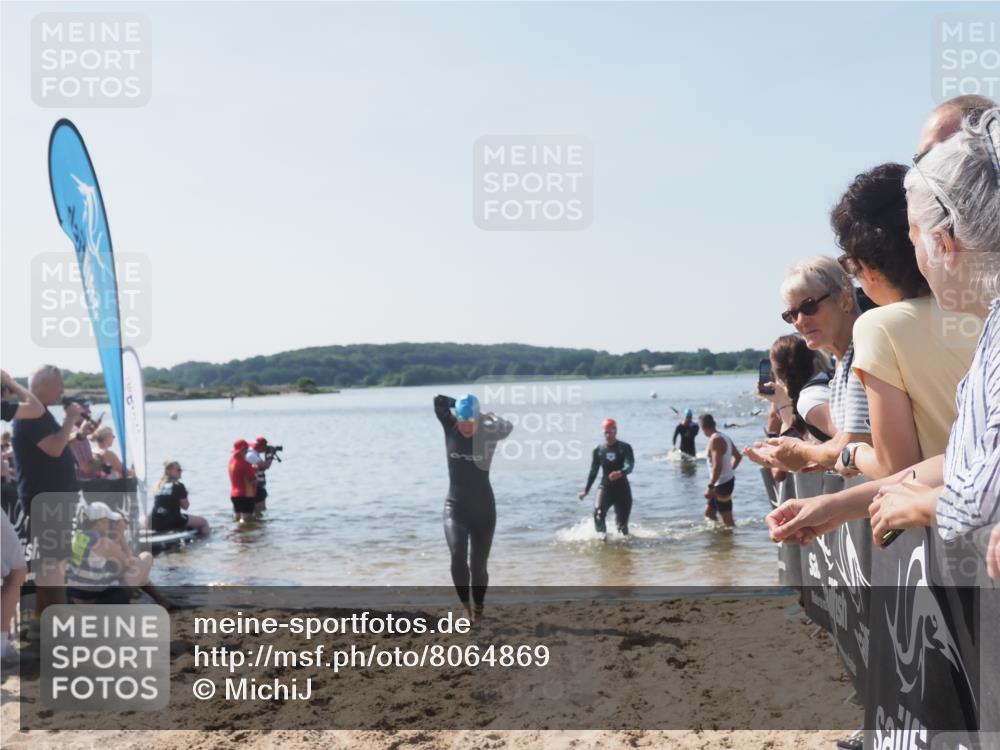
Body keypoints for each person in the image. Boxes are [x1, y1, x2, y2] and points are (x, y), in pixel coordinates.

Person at [767, 108, 1000, 552]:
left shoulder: (894, 327)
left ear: (945, 245)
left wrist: (921, 505)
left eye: (917, 241)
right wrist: (837, 506)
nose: (916, 258)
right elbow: (965, 463)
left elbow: (981, 497)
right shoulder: (987, 327)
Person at [830, 163, 977, 480]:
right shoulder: (980, 308)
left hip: (948, 521)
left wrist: (853, 453)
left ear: (868, 266)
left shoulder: (879, 327)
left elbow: (896, 468)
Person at [743, 256, 872, 472]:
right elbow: (861, 447)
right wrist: (819, 458)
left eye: (809, 307)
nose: (800, 321)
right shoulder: (844, 364)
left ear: (845, 299)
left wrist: (802, 451)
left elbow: (852, 445)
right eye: (791, 314)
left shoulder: (864, 352)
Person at [434, 393, 513, 622]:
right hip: (455, 506)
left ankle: (479, 607)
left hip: (483, 510)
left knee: (478, 567)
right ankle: (465, 607)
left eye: (470, 423)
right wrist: (458, 404)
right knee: (457, 553)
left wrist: (484, 415)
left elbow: (507, 426)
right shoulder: (450, 426)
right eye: (462, 421)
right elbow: (438, 401)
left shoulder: (488, 433)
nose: (466, 427)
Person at [12, 366, 82, 617]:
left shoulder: (38, 413)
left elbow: (56, 445)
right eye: (59, 384)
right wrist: (70, 419)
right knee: (53, 565)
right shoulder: (31, 414)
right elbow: (53, 448)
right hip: (46, 501)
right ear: (42, 384)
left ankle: (44, 621)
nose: (63, 390)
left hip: (53, 500)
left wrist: (71, 430)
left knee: (52, 565)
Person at [65, 501, 153, 604]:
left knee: (120, 569)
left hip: (75, 595)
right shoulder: (102, 541)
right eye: (108, 521)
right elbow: (129, 563)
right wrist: (121, 535)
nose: (110, 524)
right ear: (99, 522)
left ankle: (161, 600)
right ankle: (156, 598)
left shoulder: (78, 535)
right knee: (146, 558)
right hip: (97, 600)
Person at [760, 334, 835, 443]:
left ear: (776, 372)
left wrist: (782, 404)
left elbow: (851, 441)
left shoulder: (811, 399)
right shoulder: (823, 385)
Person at [578, 418, 635, 535]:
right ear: (603, 432)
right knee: (598, 514)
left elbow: (630, 465)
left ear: (616, 431)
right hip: (606, 488)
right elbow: (593, 471)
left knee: (622, 528)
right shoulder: (598, 450)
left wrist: (620, 472)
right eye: (606, 432)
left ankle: (623, 550)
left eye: (611, 432)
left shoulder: (625, 448)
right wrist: (586, 490)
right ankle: (603, 541)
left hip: (622, 490)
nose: (608, 435)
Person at [700, 414, 742, 527]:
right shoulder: (724, 436)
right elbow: (738, 457)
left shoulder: (715, 440)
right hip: (724, 481)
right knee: (709, 513)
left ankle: (731, 542)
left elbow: (717, 466)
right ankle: (720, 541)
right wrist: (729, 471)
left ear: (702, 427)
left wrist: (710, 486)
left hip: (722, 485)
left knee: (728, 522)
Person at [150, 461, 210, 535]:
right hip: (172, 521)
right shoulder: (178, 485)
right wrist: (186, 494)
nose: (181, 471)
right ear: (169, 471)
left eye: (181, 469)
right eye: (178, 470)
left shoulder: (157, 485)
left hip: (154, 522)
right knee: (203, 522)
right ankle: (206, 541)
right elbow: (186, 506)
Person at [68, 409, 103, 481]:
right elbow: (85, 469)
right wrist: (104, 457)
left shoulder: (79, 434)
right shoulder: (77, 436)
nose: (90, 412)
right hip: (85, 484)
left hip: (86, 482)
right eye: (85, 409)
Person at [244, 436, 275, 516]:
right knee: (259, 510)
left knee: (257, 512)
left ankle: (256, 526)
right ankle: (258, 525)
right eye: (265, 447)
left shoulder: (251, 452)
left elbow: (260, 467)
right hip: (256, 487)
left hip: (254, 486)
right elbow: (266, 466)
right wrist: (270, 455)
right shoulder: (251, 455)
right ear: (262, 446)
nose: (265, 449)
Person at [228, 439, 257, 523]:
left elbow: (239, 474)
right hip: (246, 495)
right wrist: (255, 471)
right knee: (247, 521)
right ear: (242, 450)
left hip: (234, 495)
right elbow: (253, 481)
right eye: (246, 449)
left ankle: (237, 534)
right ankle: (245, 535)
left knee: (237, 518)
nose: (247, 451)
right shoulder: (245, 464)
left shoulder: (231, 461)